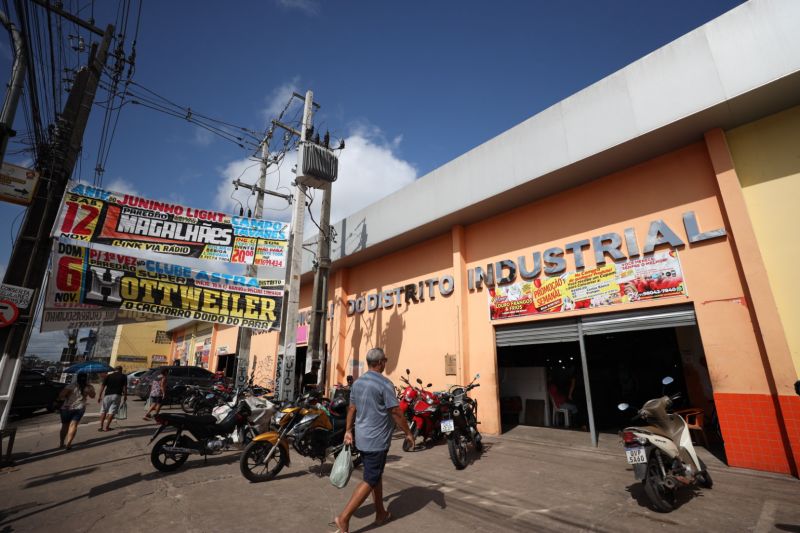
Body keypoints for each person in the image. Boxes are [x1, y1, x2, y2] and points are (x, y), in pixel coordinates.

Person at [334, 348, 414, 533]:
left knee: (375, 475)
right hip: (376, 441)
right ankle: (344, 518)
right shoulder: (384, 384)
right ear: (380, 363)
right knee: (371, 478)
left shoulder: (358, 383)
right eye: (385, 360)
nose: (385, 363)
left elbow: (352, 409)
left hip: (362, 438)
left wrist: (348, 430)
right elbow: (395, 412)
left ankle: (380, 513)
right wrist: (408, 433)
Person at [56, 372, 96, 450]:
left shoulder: (71, 385)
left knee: (64, 426)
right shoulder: (89, 387)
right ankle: (69, 443)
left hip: (66, 408)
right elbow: (93, 396)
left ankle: (61, 443)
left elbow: (61, 395)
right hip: (80, 408)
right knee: (73, 425)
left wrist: (67, 395)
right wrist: (87, 392)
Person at [97, 366, 127, 431]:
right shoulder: (123, 376)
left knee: (104, 410)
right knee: (112, 411)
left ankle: (101, 427)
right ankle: (107, 427)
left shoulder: (108, 376)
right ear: (121, 370)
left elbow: (103, 386)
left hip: (107, 395)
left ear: (114, 370)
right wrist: (125, 396)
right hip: (117, 395)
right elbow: (125, 387)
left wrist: (99, 396)